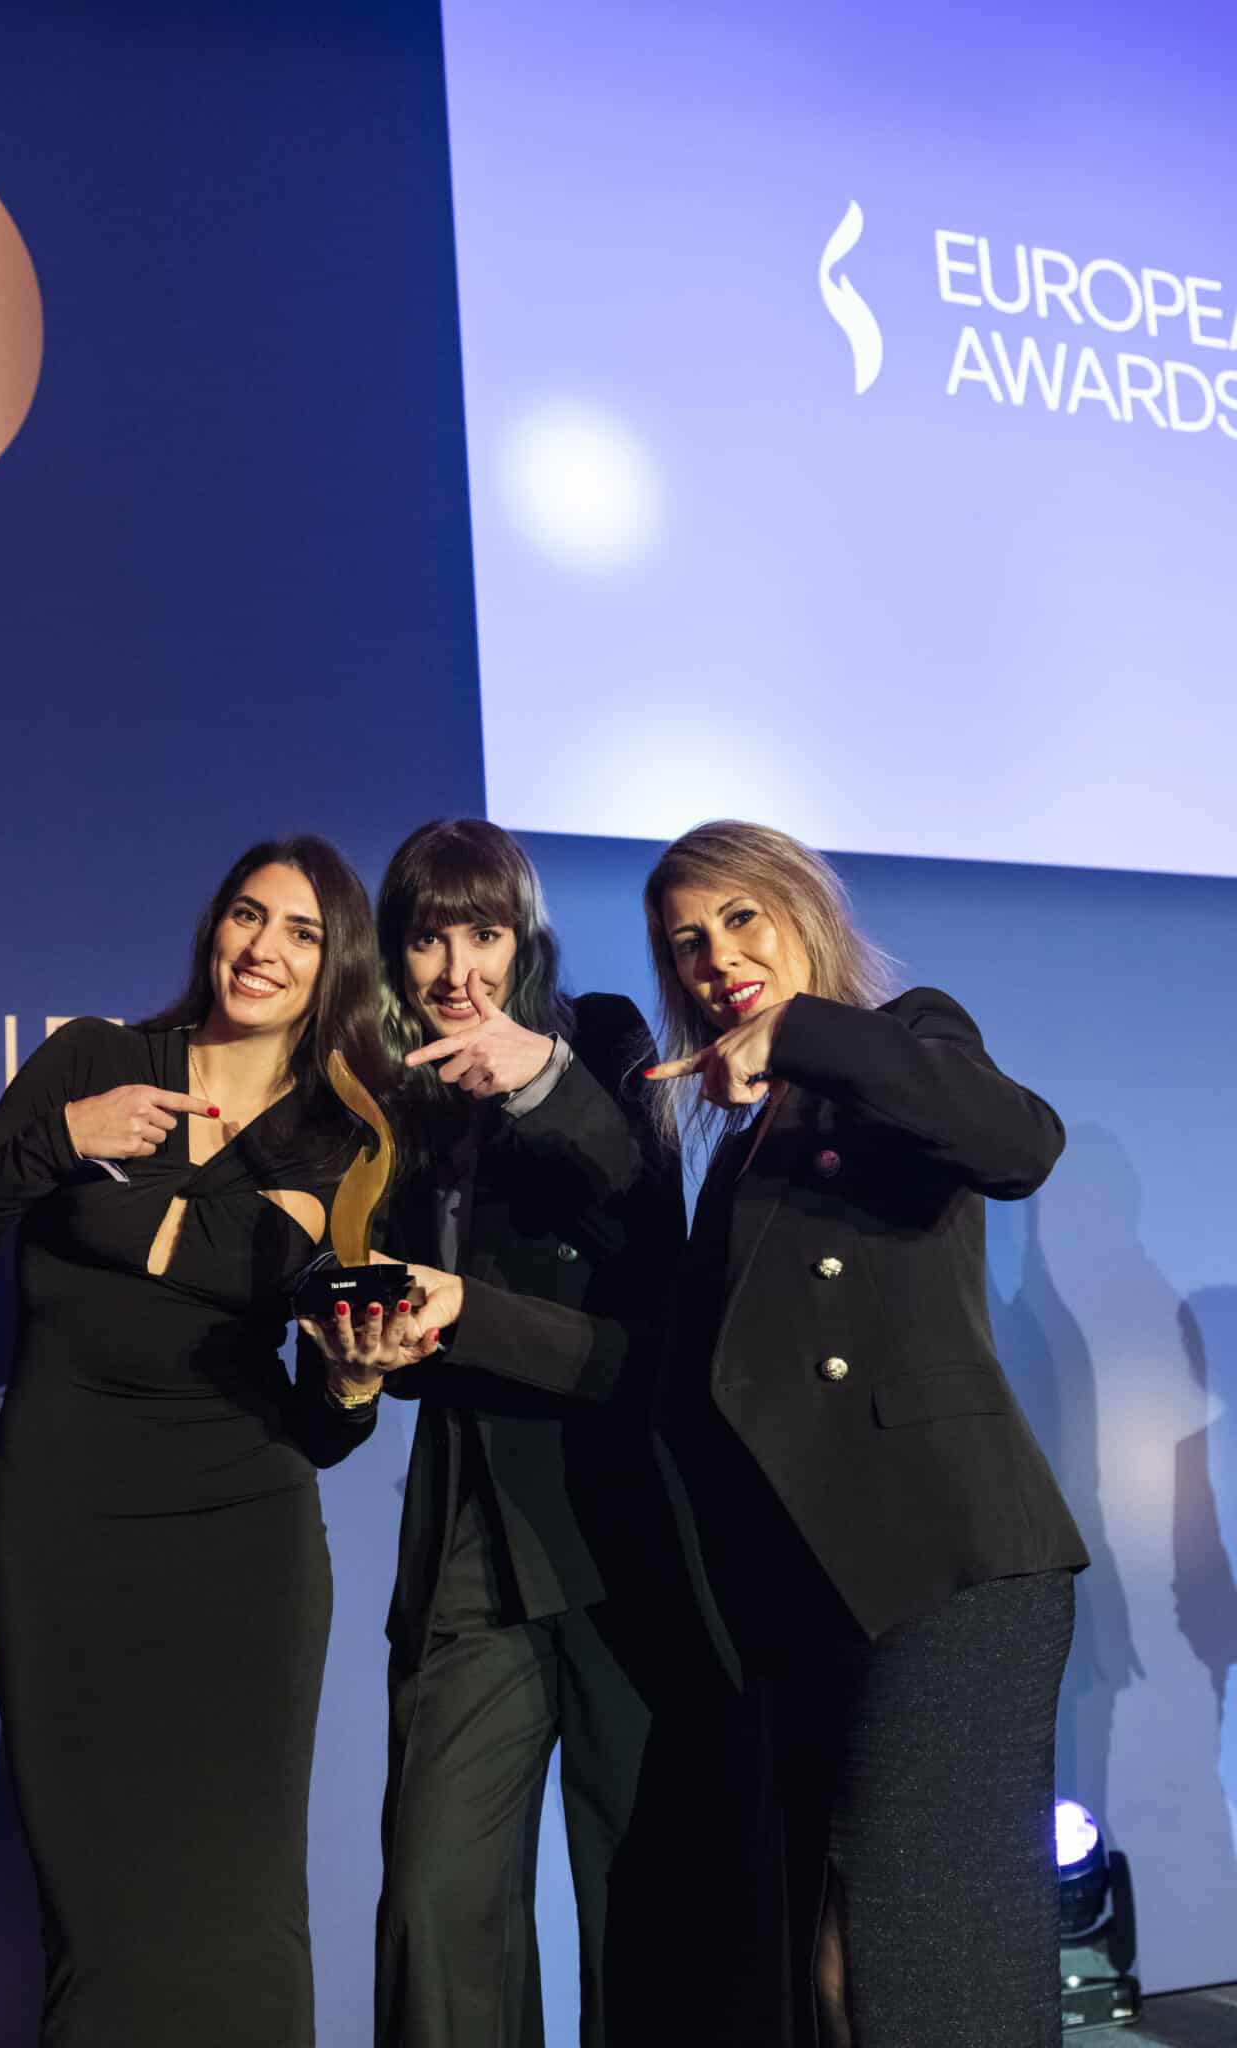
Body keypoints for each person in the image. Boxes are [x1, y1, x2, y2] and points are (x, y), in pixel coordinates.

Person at [0, 837, 400, 2048]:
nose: (263, 948)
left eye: (302, 932)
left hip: (247, 1541)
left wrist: (353, 1387)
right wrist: (60, 1139)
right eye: (247, 914)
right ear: (213, 924)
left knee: (244, 1908)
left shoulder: (344, 1140)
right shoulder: (95, 1060)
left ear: (337, 964)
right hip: (67, 1534)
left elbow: (324, 1418)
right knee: (104, 1920)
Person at [304, 819, 756, 2048]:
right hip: (470, 1547)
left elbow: (650, 1237)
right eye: (429, 940)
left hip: (622, 1535)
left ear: (525, 940)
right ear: (394, 954)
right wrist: (363, 1361)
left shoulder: (598, 1038)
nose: (459, 970)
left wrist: (541, 1079)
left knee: (643, 1902)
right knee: (434, 1908)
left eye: (485, 934)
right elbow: (375, 1323)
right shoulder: (387, 1106)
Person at [636, 819, 1088, 2047]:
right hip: (816, 1600)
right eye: (686, 942)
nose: (716, 959)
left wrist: (804, 1030)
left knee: (922, 1967)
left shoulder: (904, 1041)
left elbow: (1020, 1142)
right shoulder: (741, 1155)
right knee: (847, 1969)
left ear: (805, 912)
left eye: (741, 917)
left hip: (947, 1572)